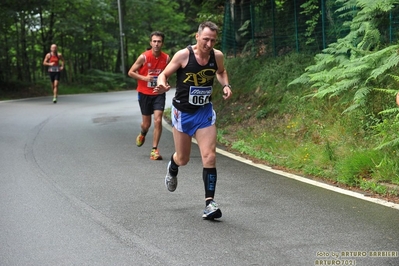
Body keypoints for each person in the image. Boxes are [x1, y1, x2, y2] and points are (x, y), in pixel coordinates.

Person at [155, 21, 233, 220]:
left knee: (210, 156)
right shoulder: (183, 55)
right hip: (183, 113)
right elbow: (164, 74)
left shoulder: (217, 56)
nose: (209, 44)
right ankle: (173, 167)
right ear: (197, 37)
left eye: (213, 40)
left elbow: (221, 72)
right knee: (183, 159)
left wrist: (226, 85)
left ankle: (210, 203)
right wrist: (163, 85)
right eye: (205, 39)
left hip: (204, 113)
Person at [128, 31, 170, 160]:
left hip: (158, 93)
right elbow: (131, 72)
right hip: (144, 93)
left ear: (162, 43)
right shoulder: (144, 57)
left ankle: (154, 149)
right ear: (150, 42)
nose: (156, 44)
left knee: (158, 120)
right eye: (154, 41)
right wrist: (145, 78)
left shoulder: (166, 58)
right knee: (146, 124)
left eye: (159, 41)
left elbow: (167, 75)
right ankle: (143, 133)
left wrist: (166, 85)